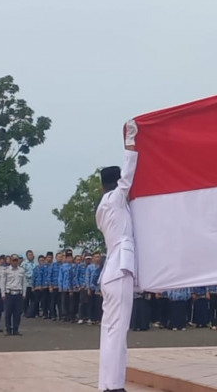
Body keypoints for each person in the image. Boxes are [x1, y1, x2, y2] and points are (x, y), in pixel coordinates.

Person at [96, 123, 138, 392]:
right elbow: (130, 170)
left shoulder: (102, 206)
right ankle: (113, 386)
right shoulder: (114, 198)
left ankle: (109, 384)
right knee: (117, 332)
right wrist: (131, 140)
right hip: (120, 270)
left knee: (111, 330)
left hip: (112, 270)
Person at [2, 254, 27, 335]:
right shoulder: (6, 270)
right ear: (10, 261)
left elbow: (24, 282)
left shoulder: (21, 270)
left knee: (17, 313)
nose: (15, 262)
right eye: (13, 260)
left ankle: (16, 329)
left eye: (16, 260)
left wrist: (24, 293)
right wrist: (3, 293)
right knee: (8, 313)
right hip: (9, 293)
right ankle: (8, 330)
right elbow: (3, 283)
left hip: (18, 293)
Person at [22, 250, 36, 317]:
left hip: (34, 285)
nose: (31, 256)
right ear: (27, 256)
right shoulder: (24, 264)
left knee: (33, 300)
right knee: (26, 300)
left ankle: (31, 312)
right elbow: (22, 274)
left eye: (32, 254)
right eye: (29, 255)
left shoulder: (35, 264)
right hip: (26, 284)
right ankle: (25, 312)